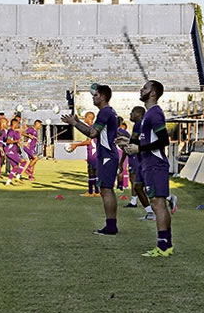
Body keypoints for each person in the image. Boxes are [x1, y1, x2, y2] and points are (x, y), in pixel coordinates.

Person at [120, 80, 178, 257]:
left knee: (158, 204)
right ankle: (166, 245)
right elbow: (144, 141)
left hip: (155, 164)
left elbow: (163, 140)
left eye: (145, 88)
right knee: (157, 204)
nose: (141, 89)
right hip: (148, 164)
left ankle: (163, 246)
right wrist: (127, 144)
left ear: (153, 93)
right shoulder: (147, 115)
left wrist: (139, 148)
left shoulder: (155, 114)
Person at [62, 84, 119, 235]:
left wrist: (75, 124)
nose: (93, 98)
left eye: (95, 95)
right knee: (107, 190)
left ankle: (111, 226)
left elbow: (93, 133)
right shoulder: (109, 112)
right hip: (108, 154)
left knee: (106, 190)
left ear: (103, 96)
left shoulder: (104, 112)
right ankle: (111, 224)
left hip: (107, 155)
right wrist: (78, 122)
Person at [122, 106, 156, 220]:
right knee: (138, 186)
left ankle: (168, 199)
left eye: (132, 112)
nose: (130, 114)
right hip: (144, 159)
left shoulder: (138, 124)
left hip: (145, 160)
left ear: (138, 113)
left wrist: (125, 143)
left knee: (142, 186)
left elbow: (133, 141)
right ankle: (150, 212)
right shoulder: (144, 124)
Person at [67, 111, 100, 197]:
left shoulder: (91, 129)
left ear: (89, 118)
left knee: (91, 173)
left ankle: (91, 191)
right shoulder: (93, 128)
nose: (84, 119)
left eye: (85, 117)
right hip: (96, 154)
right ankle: (96, 191)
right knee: (95, 173)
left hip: (93, 154)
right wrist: (78, 122)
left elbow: (88, 141)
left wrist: (76, 145)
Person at [4, 118, 28, 185]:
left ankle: (8, 182)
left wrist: (25, 144)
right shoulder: (11, 131)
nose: (19, 125)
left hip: (14, 151)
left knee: (15, 167)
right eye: (18, 123)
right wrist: (16, 141)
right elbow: (8, 141)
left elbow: (18, 142)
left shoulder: (16, 132)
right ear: (14, 123)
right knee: (24, 162)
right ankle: (18, 176)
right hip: (10, 151)